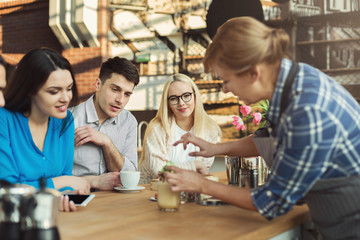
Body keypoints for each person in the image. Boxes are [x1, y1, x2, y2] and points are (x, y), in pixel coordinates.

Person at [165, 17, 360, 239]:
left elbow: (272, 202)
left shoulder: (307, 110)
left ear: (253, 73)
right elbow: (269, 137)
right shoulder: (295, 81)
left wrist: (201, 184)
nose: (226, 90)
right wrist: (215, 149)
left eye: (226, 80)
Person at [0, 48, 91, 212]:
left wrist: (70, 192)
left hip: (51, 215)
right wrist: (60, 183)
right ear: (30, 91)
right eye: (54, 91)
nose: (65, 98)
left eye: (69, 88)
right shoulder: (3, 119)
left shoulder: (65, 122)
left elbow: (66, 179)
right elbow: (7, 191)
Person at [139, 73, 222, 184]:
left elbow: (203, 171)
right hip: (153, 194)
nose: (181, 103)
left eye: (186, 96)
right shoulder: (157, 129)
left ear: (195, 96)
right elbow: (159, 173)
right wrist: (194, 165)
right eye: (174, 98)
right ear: (168, 103)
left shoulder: (209, 129)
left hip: (189, 192)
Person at [71, 57, 140, 190]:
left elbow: (130, 175)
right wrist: (94, 181)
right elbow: (54, 178)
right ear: (98, 84)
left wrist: (107, 142)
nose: (120, 100)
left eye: (127, 94)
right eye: (115, 89)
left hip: (116, 203)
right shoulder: (69, 119)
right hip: (77, 200)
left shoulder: (129, 121)